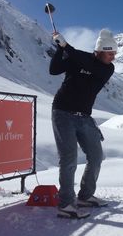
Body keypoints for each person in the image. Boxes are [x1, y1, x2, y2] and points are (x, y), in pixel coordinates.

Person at [49, 29, 117, 218]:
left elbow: (91, 66)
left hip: (85, 117)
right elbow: (54, 70)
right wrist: (59, 49)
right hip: (62, 112)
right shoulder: (78, 58)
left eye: (114, 53)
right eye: (110, 53)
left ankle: (85, 196)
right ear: (100, 51)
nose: (113, 57)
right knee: (69, 159)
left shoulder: (106, 68)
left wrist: (67, 47)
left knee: (96, 156)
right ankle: (66, 205)